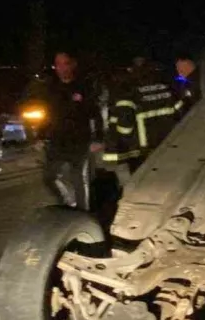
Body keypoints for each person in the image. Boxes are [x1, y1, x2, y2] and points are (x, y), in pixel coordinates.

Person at [103, 55, 180, 185]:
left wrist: (124, 141)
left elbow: (125, 126)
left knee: (145, 184)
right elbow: (179, 109)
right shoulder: (165, 84)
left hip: (143, 149)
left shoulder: (129, 89)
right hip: (169, 143)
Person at [43, 51, 102, 210]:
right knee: (49, 177)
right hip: (57, 139)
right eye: (58, 64)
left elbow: (95, 114)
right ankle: (66, 201)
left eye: (65, 63)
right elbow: (47, 114)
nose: (61, 68)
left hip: (79, 140)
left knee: (78, 179)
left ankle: (83, 214)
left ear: (72, 65)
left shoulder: (83, 87)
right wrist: (40, 135)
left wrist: (98, 138)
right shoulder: (52, 87)